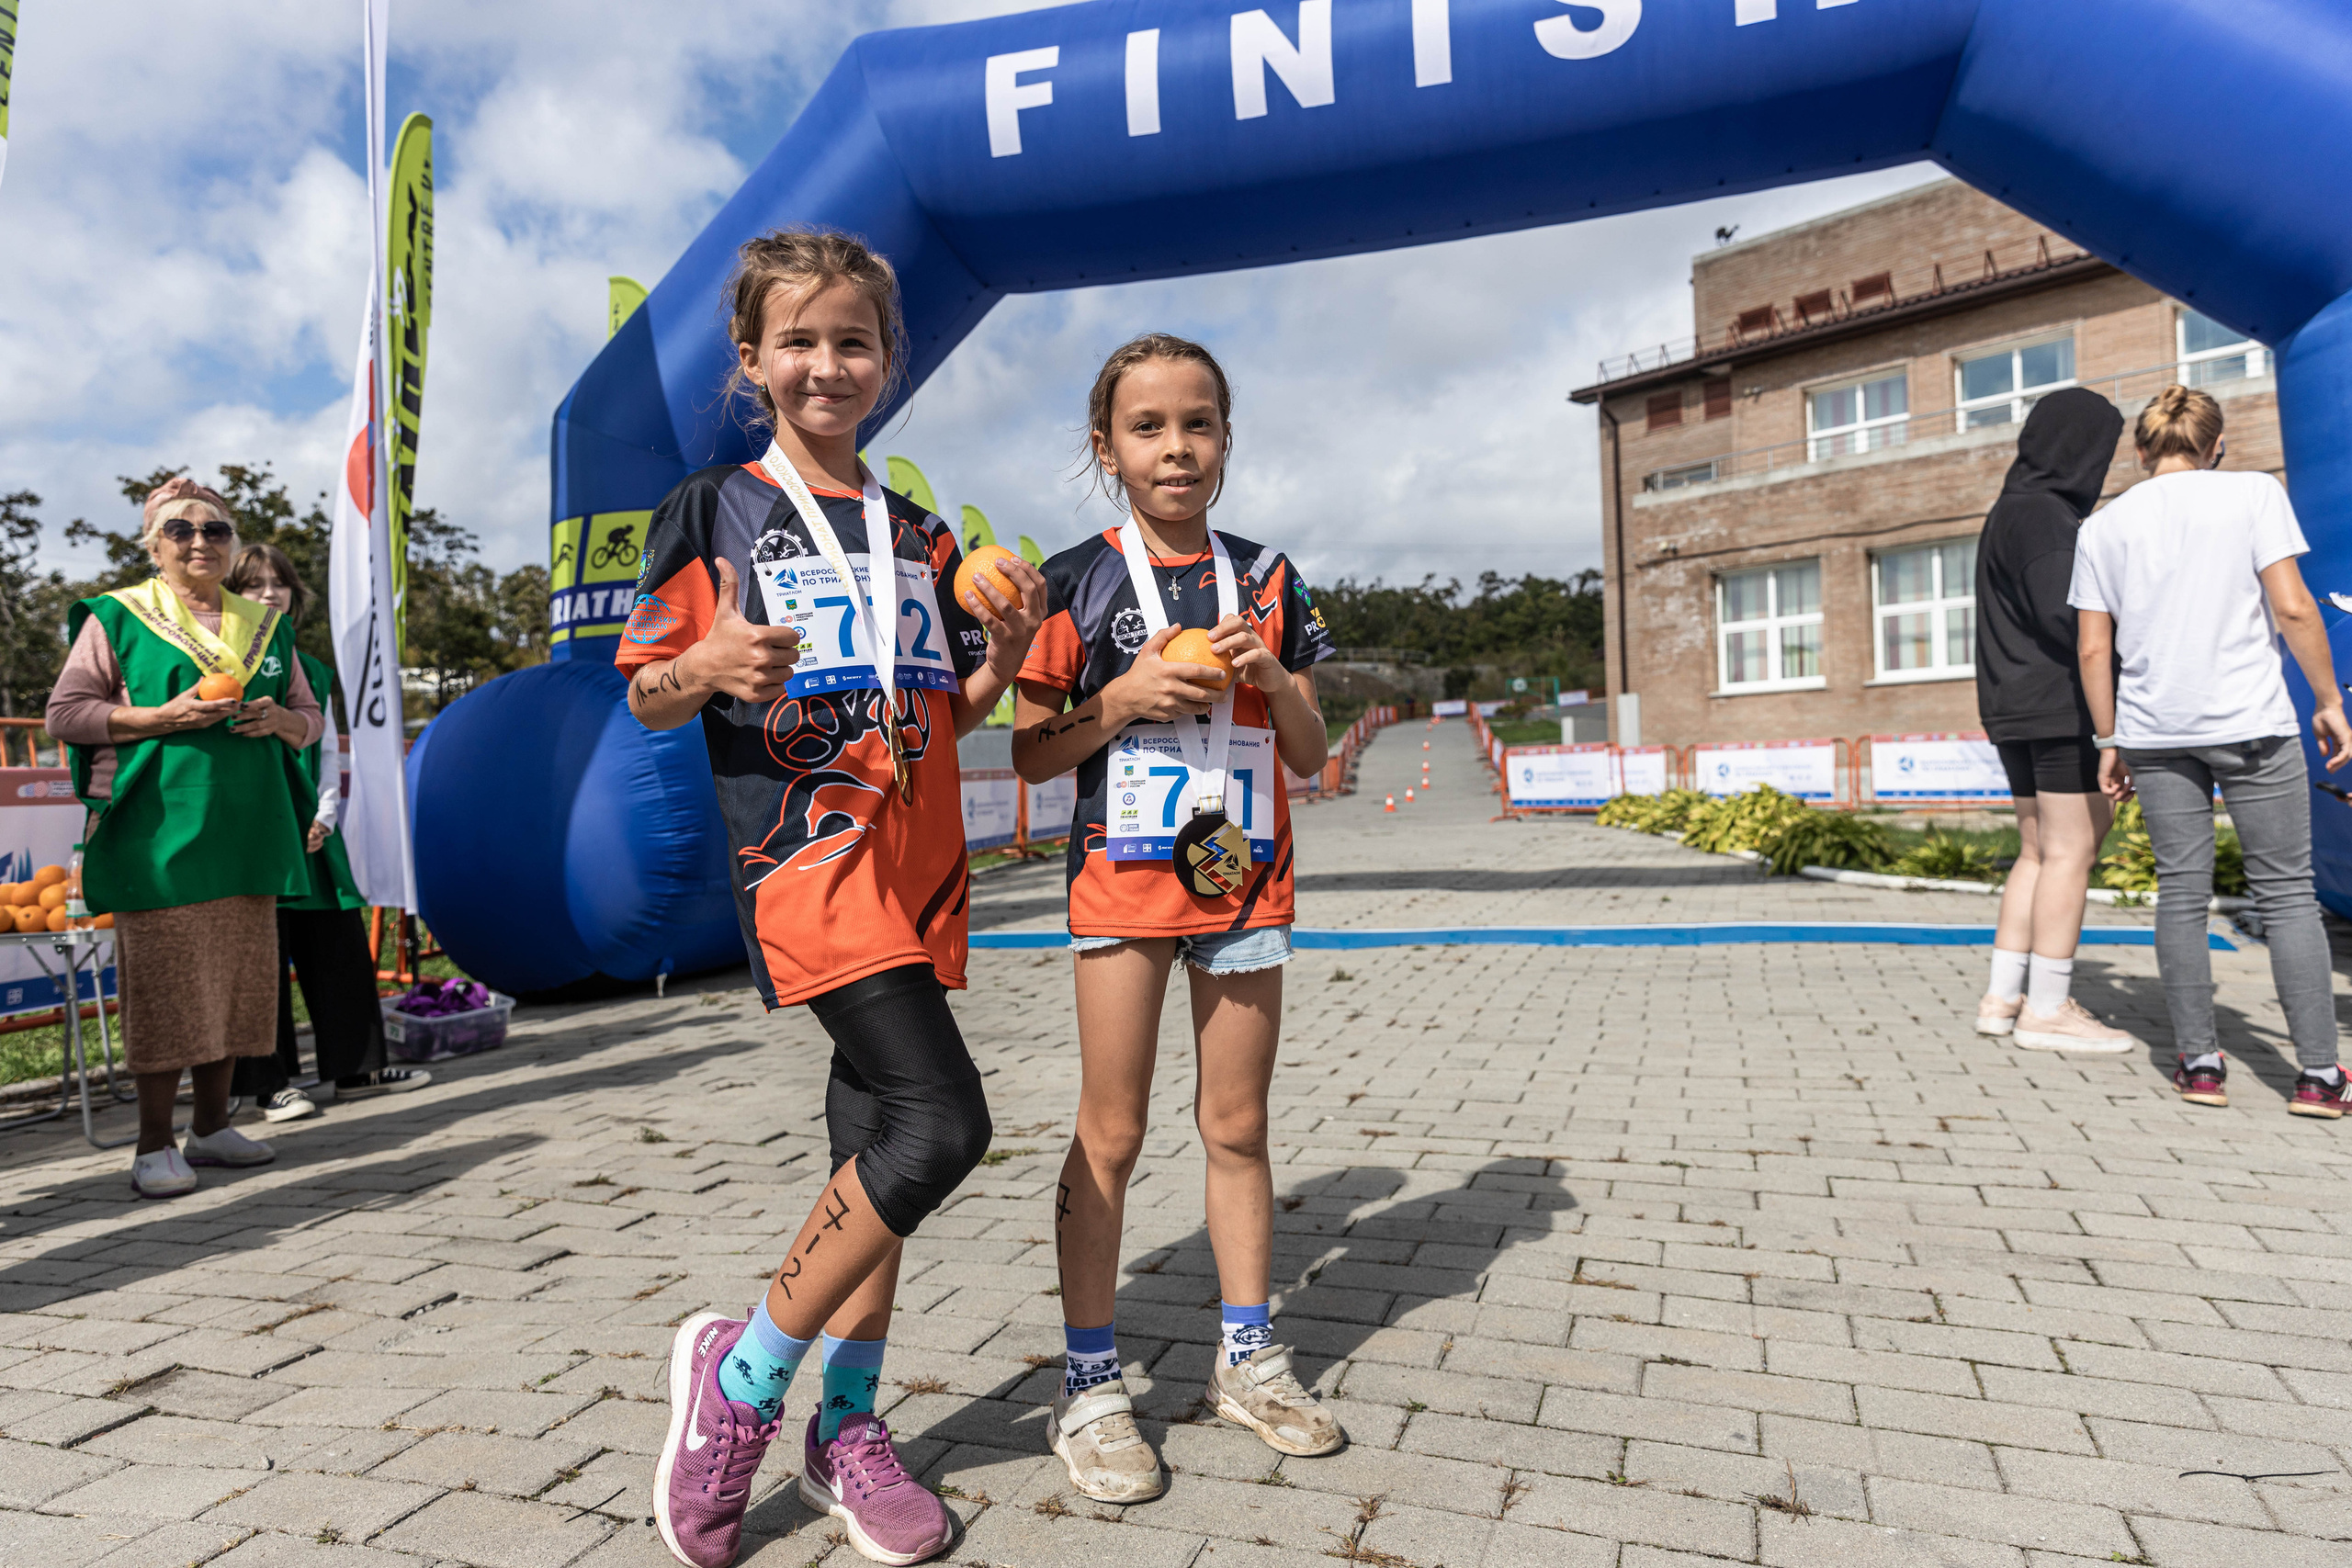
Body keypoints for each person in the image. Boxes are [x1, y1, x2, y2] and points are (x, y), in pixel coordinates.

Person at [616, 229, 1045, 1568]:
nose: (826, 364)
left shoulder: (921, 531)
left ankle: (847, 1425)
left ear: (887, 359)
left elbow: (944, 711)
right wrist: (711, 663)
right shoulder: (710, 506)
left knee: (876, 1141)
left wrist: (1011, 654)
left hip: (919, 866)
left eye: (851, 340)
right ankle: (741, 1384)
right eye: (797, 340)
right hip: (809, 860)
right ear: (751, 359)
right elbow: (642, 690)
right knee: (942, 1122)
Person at [1011, 333, 1339, 1504]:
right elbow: (1029, 748)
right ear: (1107, 448)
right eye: (1148, 428)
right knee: (1111, 1129)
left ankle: (1248, 1358)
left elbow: (1310, 753)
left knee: (1238, 1125)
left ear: (1225, 438)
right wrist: (1123, 698)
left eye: (1198, 423)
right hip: (1122, 886)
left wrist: (1272, 682)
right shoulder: (1073, 579)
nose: (1177, 447)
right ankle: (1090, 1381)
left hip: (1246, 883)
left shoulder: (1268, 575)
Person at [2072, 384, 2352, 1115]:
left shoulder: (2102, 527)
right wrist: (2328, 700)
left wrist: (2109, 739)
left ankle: (2200, 1064)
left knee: (2182, 893)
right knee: (2288, 895)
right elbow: (2292, 606)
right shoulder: (2253, 494)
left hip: (2156, 732)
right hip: (2252, 722)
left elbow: (2094, 647)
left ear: (2140, 453)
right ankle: (2319, 1077)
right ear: (2216, 446)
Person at [45, 477, 320, 1197]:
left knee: (235, 985)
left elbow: (308, 717)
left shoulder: (265, 626)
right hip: (159, 833)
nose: (200, 542)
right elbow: (67, 713)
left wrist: (278, 720)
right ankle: (151, 1142)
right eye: (181, 530)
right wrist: (157, 719)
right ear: (154, 545)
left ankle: (211, 1126)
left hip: (246, 830)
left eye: (216, 531)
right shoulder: (118, 616)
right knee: (169, 989)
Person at [223, 544, 427, 1122]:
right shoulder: (217, 660)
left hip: (310, 827)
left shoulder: (310, 666)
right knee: (261, 955)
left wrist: (325, 812)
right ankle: (268, 1084)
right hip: (252, 832)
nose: (269, 594)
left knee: (337, 944)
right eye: (255, 584)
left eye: (279, 583)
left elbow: (323, 741)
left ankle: (357, 1068)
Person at [1971, 388, 2136, 1051]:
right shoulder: (2046, 517)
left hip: (2011, 705)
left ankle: (2003, 997)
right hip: (2061, 704)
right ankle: (2048, 1010)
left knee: (2037, 852)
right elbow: (2065, 614)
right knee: (2073, 850)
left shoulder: (2009, 509)